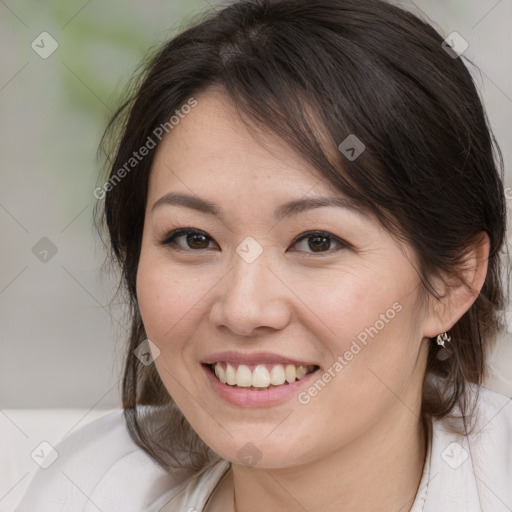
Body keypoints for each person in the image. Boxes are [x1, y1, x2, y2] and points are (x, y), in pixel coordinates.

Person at [16, 0, 512, 510]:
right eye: (193, 238)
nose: (243, 310)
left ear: (453, 280)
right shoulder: (84, 488)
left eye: (318, 241)